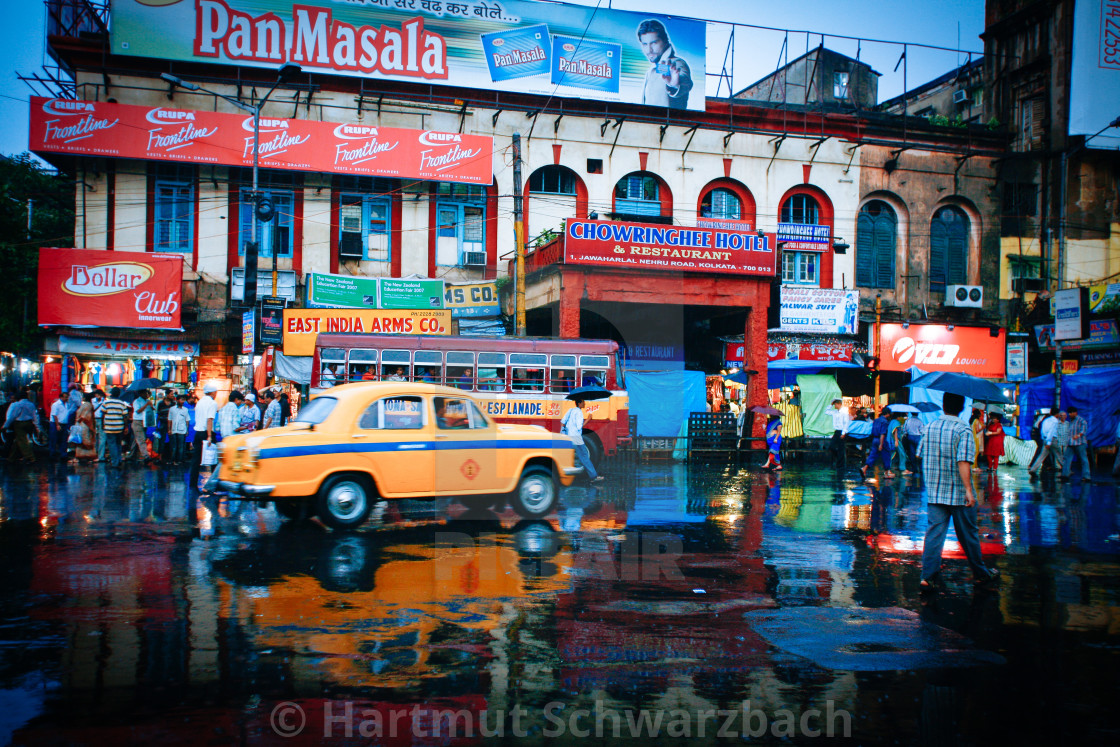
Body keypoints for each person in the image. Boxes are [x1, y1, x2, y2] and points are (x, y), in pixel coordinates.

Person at [917, 392, 1000, 591]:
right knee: (968, 535)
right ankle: (981, 574)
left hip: (935, 491)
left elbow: (919, 454)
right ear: (962, 407)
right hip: (958, 494)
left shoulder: (929, 427)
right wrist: (969, 491)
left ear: (943, 405)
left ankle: (927, 577)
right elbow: (963, 461)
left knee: (934, 534)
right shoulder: (962, 429)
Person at [636, 18, 693, 109]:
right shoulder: (654, 68)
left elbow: (685, 81)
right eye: (645, 44)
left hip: (668, 122)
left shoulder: (676, 63)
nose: (649, 50)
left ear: (665, 41)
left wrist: (674, 84)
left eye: (654, 43)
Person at [562, 397, 603, 483]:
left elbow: (563, 422)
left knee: (573, 455)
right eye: (583, 402)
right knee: (584, 457)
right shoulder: (579, 413)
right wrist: (588, 419)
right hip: (577, 438)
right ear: (579, 403)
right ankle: (593, 476)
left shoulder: (570, 410)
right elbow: (579, 427)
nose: (584, 403)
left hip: (569, 437)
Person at [190, 383, 218, 488]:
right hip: (207, 432)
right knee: (213, 459)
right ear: (212, 393)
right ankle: (213, 485)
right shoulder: (212, 403)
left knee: (196, 460)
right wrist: (209, 436)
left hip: (198, 432)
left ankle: (192, 484)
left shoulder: (200, 402)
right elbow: (209, 419)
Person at [4, 389, 41, 463]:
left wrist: (6, 425)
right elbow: (35, 416)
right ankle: (12, 457)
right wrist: (37, 426)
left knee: (22, 441)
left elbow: (13, 416)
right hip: (29, 423)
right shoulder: (31, 404)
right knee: (19, 440)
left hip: (19, 423)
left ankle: (31, 457)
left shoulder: (18, 404)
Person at [99, 387, 131, 468]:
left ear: (111, 393)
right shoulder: (122, 404)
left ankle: (115, 461)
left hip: (109, 427)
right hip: (119, 427)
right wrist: (126, 427)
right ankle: (119, 459)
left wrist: (103, 425)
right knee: (118, 444)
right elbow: (125, 417)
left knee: (112, 444)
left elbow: (102, 415)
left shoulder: (106, 403)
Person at [861, 407, 895, 481]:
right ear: (888, 414)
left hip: (874, 439)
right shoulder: (885, 422)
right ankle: (887, 472)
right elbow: (882, 433)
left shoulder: (876, 420)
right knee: (886, 455)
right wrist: (881, 444)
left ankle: (864, 468)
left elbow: (872, 431)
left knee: (872, 455)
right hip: (881, 440)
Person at [1028, 408, 1061, 478]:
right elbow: (1051, 432)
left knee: (1041, 456)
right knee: (1059, 455)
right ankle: (1067, 470)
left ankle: (1033, 469)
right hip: (1052, 439)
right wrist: (1049, 442)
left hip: (1045, 439)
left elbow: (1042, 431)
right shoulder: (1055, 421)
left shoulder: (1045, 420)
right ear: (1057, 414)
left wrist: (1045, 440)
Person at [1063, 405, 1092, 482]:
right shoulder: (1070, 421)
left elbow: (1083, 430)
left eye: (1071, 413)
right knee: (1066, 458)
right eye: (1069, 413)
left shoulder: (1081, 420)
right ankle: (1065, 474)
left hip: (1080, 443)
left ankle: (1086, 476)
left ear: (1075, 413)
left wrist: (1078, 435)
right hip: (1070, 443)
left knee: (1083, 459)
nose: (1069, 414)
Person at [129, 389, 153, 463]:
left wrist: (151, 406)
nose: (147, 395)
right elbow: (138, 411)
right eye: (145, 393)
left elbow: (151, 410)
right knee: (141, 439)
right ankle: (146, 456)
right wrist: (146, 405)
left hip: (145, 421)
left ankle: (131, 455)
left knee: (137, 439)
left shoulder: (147, 401)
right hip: (137, 421)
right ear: (141, 393)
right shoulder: (137, 401)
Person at [71, 396, 96, 463]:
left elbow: (85, 416)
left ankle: (84, 455)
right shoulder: (89, 405)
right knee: (84, 439)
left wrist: (79, 419)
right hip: (83, 424)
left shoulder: (86, 405)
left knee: (83, 439)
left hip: (83, 424)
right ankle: (87, 455)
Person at [827, 398, 850, 468]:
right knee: (831, 446)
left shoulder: (844, 413)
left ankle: (840, 464)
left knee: (841, 448)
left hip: (842, 431)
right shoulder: (835, 412)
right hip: (836, 431)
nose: (835, 406)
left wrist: (844, 433)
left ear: (839, 404)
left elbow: (846, 423)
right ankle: (839, 459)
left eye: (835, 404)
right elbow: (826, 412)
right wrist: (830, 404)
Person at [168, 394, 190, 464]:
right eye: (181, 399)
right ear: (177, 400)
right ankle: (172, 460)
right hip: (174, 430)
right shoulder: (172, 409)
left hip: (182, 430)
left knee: (181, 446)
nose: (182, 401)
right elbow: (169, 419)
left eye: (183, 400)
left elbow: (187, 420)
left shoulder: (185, 410)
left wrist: (187, 430)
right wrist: (169, 429)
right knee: (173, 446)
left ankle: (179, 460)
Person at [48, 390, 69, 462]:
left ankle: (63, 455)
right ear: (61, 397)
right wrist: (57, 425)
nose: (67, 399)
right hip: (55, 424)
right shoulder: (56, 405)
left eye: (67, 397)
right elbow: (54, 415)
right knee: (54, 439)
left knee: (63, 440)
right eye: (65, 397)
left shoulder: (67, 404)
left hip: (64, 424)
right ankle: (52, 455)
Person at [890, 410, 911, 475]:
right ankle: (903, 468)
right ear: (898, 417)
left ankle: (889, 469)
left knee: (892, 454)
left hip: (891, 440)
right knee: (902, 454)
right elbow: (895, 431)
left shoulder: (892, 422)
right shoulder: (896, 422)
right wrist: (896, 440)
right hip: (896, 440)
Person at [91, 389, 107, 462]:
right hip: (94, 420)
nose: (96, 396)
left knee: (102, 438)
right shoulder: (92, 400)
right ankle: (95, 454)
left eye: (98, 394)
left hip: (102, 420)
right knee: (95, 438)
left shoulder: (105, 401)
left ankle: (101, 456)